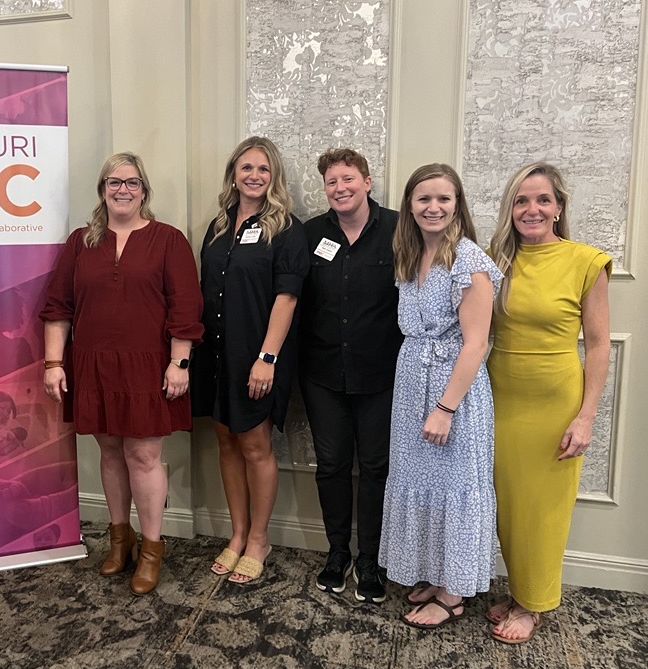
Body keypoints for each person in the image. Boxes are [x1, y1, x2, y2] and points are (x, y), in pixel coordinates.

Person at [40, 152, 203, 595]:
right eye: (114, 182)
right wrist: (53, 363)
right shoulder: (80, 242)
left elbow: (185, 308)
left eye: (132, 182)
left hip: (148, 366)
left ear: (144, 191)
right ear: (102, 190)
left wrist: (180, 362)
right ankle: (119, 540)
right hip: (92, 363)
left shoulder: (168, 240)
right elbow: (58, 307)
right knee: (110, 452)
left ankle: (151, 549)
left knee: (143, 456)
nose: (123, 190)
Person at [485, 162, 611, 644]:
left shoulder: (586, 261)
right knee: (509, 505)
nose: (531, 209)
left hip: (555, 402)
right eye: (521, 200)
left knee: (542, 510)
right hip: (500, 395)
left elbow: (597, 345)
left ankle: (533, 604)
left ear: (559, 207)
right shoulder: (496, 259)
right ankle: (521, 590)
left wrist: (586, 417)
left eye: (542, 200)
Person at [377, 163, 503, 628]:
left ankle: (453, 593)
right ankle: (437, 573)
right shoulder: (411, 257)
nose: (433, 207)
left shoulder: (468, 261)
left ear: (457, 205)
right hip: (413, 384)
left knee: (454, 485)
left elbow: (476, 343)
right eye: (424, 198)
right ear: (409, 206)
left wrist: (445, 408)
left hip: (454, 392)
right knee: (423, 483)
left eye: (443, 198)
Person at [191, 136, 309, 584]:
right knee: (225, 442)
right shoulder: (219, 225)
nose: (254, 176)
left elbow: (287, 297)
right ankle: (238, 534)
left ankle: (259, 539)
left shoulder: (287, 229)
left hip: (256, 355)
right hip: (216, 352)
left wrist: (267, 357)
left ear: (273, 176)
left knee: (256, 446)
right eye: (246, 168)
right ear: (234, 174)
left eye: (263, 169)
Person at [298, 148, 402, 601]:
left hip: (382, 374)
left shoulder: (399, 229)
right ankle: (337, 552)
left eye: (348, 179)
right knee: (332, 466)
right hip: (322, 374)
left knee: (377, 468)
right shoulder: (309, 234)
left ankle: (371, 559)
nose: (340, 188)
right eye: (332, 182)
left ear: (367, 181)